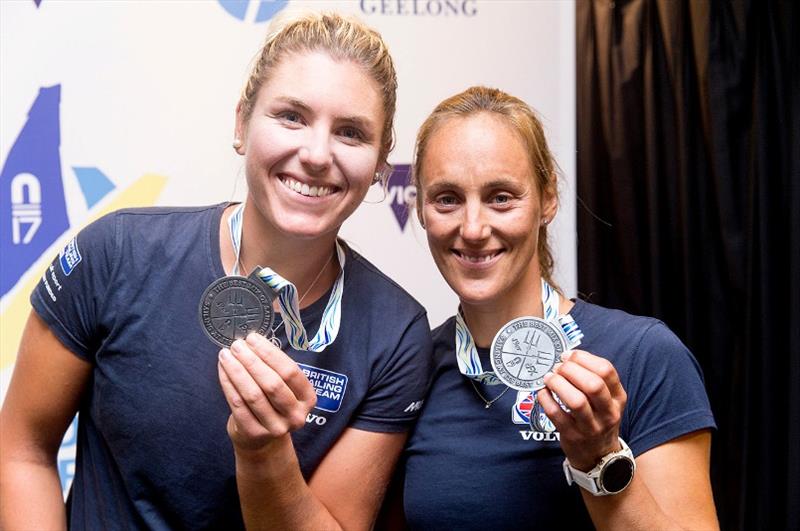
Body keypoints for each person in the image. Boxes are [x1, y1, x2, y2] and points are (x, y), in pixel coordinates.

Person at [0, 12, 432, 530]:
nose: (317, 154)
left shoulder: (395, 334)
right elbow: (22, 450)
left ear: (381, 163)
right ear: (240, 123)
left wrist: (264, 453)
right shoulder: (118, 252)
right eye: (292, 116)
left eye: (351, 133)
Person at [396, 86, 718, 530]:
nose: (473, 228)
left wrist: (599, 458)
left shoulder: (644, 354)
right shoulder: (413, 366)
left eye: (501, 197)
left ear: (548, 199)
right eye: (447, 198)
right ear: (422, 211)